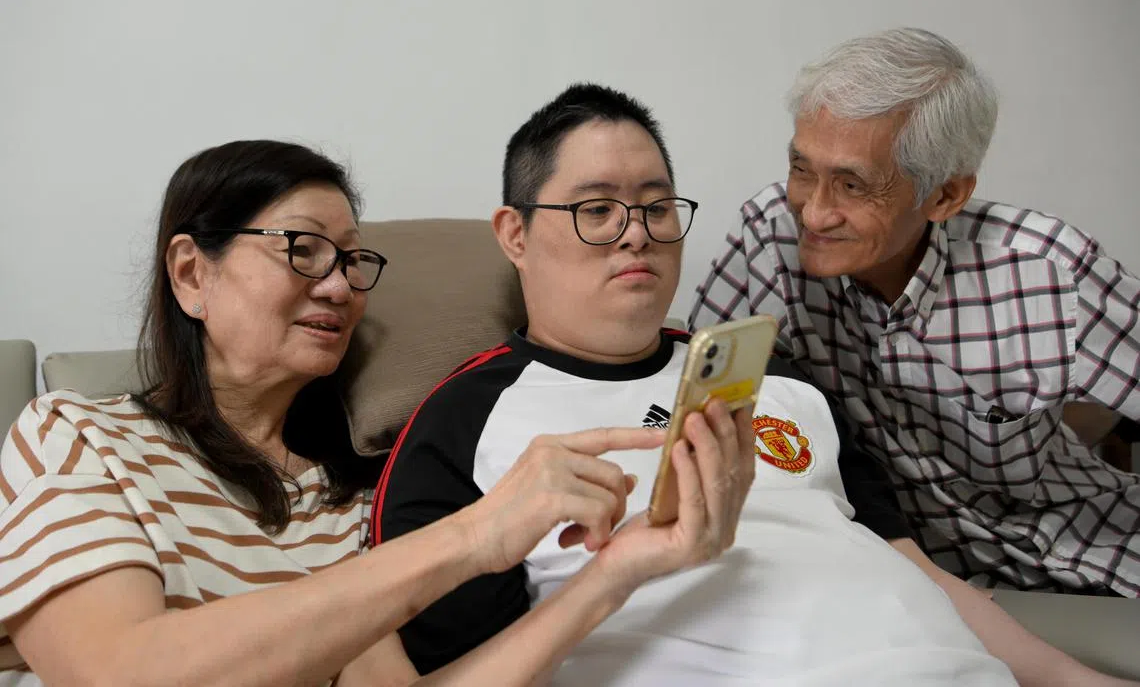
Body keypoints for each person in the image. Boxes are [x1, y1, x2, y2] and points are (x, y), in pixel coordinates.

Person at [376, 84, 1133, 686]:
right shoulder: (464, 422)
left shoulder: (768, 373)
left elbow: (913, 566)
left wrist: (1077, 681)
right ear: (515, 234)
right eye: (597, 210)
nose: (637, 232)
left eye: (656, 206)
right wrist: (615, 573)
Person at [0, 139, 753, 686]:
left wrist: (613, 575)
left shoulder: (358, 503)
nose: (339, 287)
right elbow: (117, 673)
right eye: (302, 249)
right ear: (193, 273)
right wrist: (475, 534)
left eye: (354, 260)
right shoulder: (81, 435)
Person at [689, 27, 1140, 597]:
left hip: (1093, 551)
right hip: (910, 578)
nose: (815, 213)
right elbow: (689, 401)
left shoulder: (1046, 271)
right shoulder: (768, 236)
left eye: (853, 185)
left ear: (945, 196)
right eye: (802, 170)